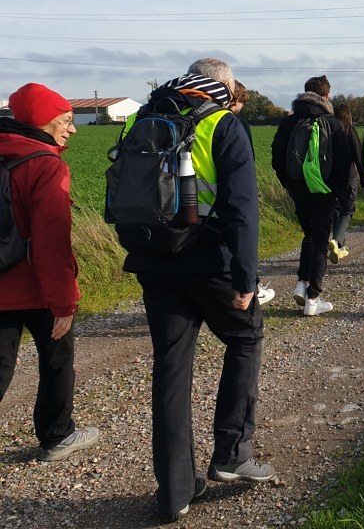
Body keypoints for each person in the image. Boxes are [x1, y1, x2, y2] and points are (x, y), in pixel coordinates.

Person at [121, 58, 274, 523]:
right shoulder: (220, 123)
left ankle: (175, 491)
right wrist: (247, 279)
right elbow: (243, 209)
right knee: (245, 338)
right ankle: (232, 452)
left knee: (170, 368)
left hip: (153, 260)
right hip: (209, 261)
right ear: (223, 87)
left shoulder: (142, 116)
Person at [0, 84, 100, 463]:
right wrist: (64, 301)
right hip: (38, 291)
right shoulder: (46, 165)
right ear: (44, 121)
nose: (72, 130)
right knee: (57, 360)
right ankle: (57, 436)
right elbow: (50, 243)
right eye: (67, 121)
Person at [271, 75, 351, 316]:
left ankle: (302, 283)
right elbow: (344, 164)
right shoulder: (334, 123)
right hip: (324, 192)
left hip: (298, 188)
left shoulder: (289, 122)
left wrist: (289, 184)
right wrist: (336, 191)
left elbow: (276, 157)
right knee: (319, 242)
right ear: (326, 96)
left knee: (309, 235)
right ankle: (313, 299)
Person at [228, 81, 274, 306]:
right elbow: (247, 160)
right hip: (234, 190)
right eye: (242, 103)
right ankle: (251, 286)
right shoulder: (236, 124)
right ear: (235, 100)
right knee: (242, 238)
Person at [329, 102, 364, 264]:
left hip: (330, 179)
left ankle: (339, 247)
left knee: (336, 211)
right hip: (348, 177)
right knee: (347, 210)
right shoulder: (350, 131)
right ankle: (336, 240)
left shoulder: (329, 132)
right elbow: (358, 156)